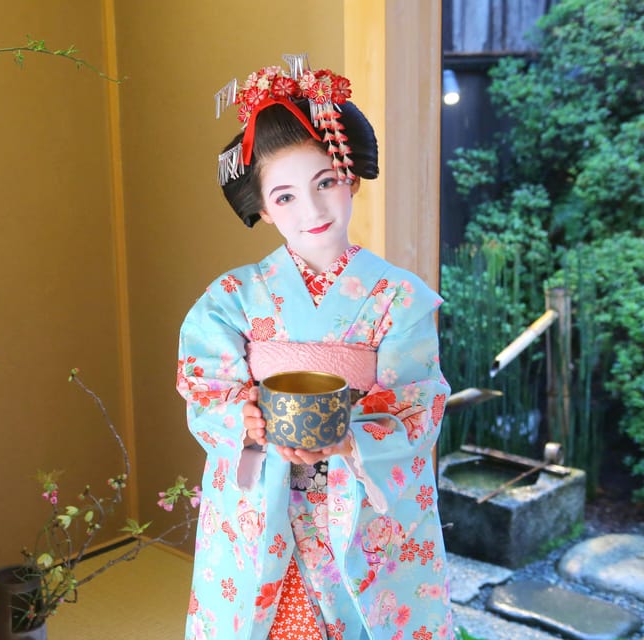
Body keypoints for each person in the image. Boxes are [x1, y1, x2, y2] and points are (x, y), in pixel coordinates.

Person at [176, 56, 453, 640]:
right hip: (264, 500)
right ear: (262, 208)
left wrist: (351, 435)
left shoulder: (399, 299)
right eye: (284, 197)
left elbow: (417, 403)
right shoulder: (233, 297)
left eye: (325, 182)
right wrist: (244, 417)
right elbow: (205, 384)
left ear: (350, 175)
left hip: (357, 501)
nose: (312, 210)